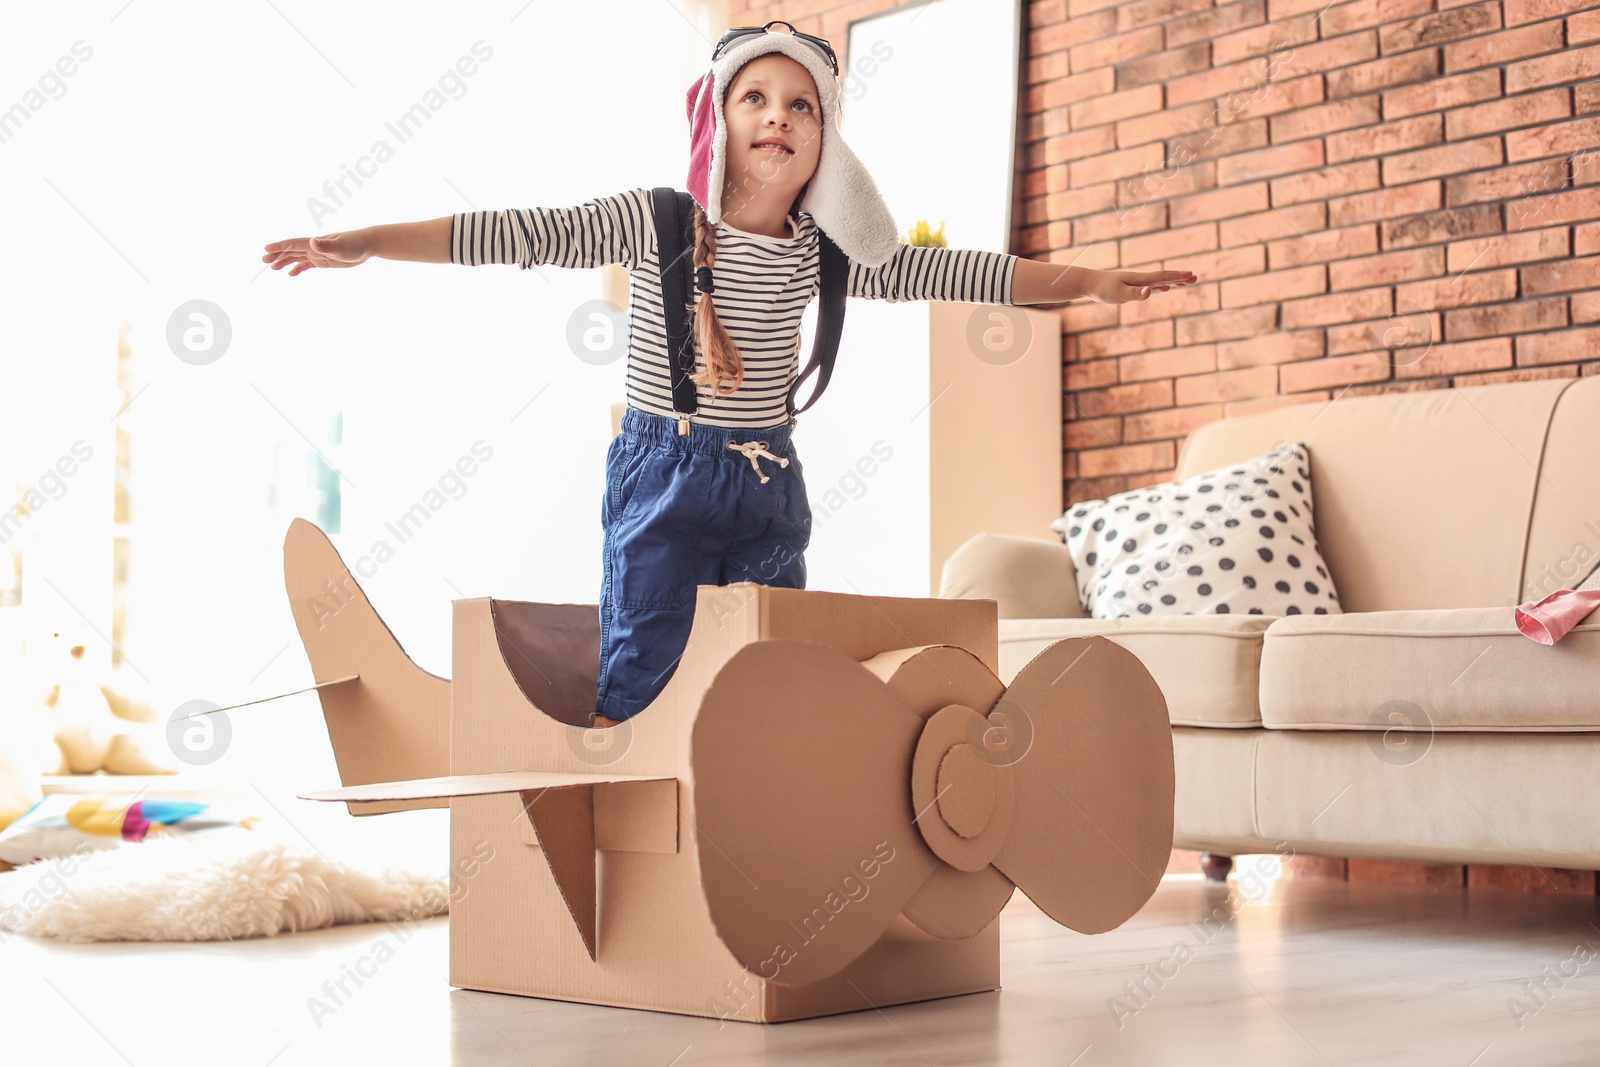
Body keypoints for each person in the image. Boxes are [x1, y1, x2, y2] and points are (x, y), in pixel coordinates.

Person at [261, 22, 1197, 729]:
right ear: (721, 116)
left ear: (826, 140)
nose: (779, 117)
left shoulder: (822, 254)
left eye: (801, 105)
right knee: (644, 661)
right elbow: (521, 233)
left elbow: (961, 273)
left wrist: (1092, 282)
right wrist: (372, 244)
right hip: (661, 475)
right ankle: (622, 821)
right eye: (757, 98)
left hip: (766, 482)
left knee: (768, 668)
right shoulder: (657, 221)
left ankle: (745, 834)